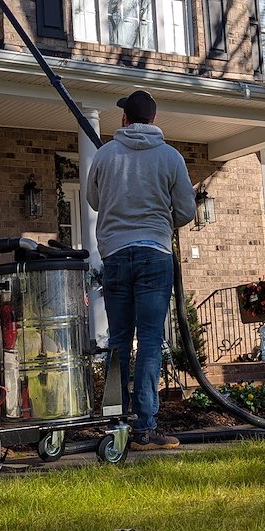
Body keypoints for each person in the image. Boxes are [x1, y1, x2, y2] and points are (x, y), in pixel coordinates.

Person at [86, 88, 197, 449]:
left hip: (116, 255)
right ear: (153, 120)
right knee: (150, 340)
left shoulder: (105, 156)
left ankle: (115, 421)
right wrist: (162, 216)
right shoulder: (170, 158)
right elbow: (186, 211)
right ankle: (145, 428)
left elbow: (93, 200)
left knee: (118, 340)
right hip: (154, 256)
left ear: (124, 119)